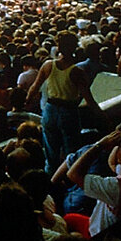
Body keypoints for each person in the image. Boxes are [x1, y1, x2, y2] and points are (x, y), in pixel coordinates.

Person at [29, 32, 101, 172]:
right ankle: (68, 181)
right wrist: (103, 116)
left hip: (49, 110)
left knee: (51, 152)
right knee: (71, 152)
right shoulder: (77, 71)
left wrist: (27, 100)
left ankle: (51, 180)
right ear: (74, 47)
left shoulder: (48, 65)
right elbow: (89, 99)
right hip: (69, 112)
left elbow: (34, 88)